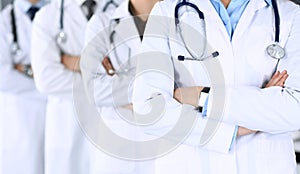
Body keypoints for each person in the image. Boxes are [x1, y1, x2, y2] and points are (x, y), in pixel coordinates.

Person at [132, 0, 300, 173]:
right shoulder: (166, 11)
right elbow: (149, 108)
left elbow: (295, 108)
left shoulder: (291, 15)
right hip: (189, 164)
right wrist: (235, 131)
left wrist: (202, 97)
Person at [30, 0, 121, 173]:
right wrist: (102, 77)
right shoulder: (47, 17)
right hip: (67, 127)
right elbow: (46, 79)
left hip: (112, 127)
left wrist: (72, 62)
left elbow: (132, 69)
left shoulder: (121, 9)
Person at [80, 0, 160, 173]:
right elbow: (95, 90)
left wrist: (120, 83)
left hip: (165, 147)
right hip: (116, 151)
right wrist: (156, 89)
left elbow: (186, 84)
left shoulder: (183, 20)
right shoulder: (101, 24)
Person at [0, 0, 47, 173]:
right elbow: (3, 76)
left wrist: (22, 68)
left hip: (60, 116)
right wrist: (47, 79)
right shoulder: (3, 22)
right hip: (20, 119)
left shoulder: (60, 17)